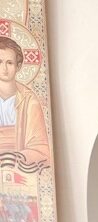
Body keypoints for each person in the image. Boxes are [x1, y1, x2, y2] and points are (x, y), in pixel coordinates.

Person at [0, 36, 49, 168]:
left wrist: (17, 158)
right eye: (0, 62)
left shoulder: (29, 100)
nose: (4, 68)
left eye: (9, 63)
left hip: (19, 168)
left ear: (18, 66)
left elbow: (41, 149)